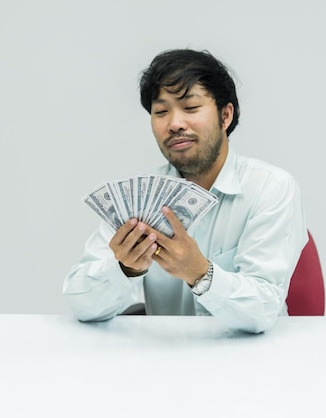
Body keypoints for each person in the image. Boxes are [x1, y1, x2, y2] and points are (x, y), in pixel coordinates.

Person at [63, 49, 307, 333]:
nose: (174, 124)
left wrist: (200, 273)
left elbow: (263, 310)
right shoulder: (135, 202)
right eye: (161, 112)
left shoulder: (271, 188)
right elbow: (81, 305)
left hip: (252, 363)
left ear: (225, 116)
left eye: (190, 108)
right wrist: (125, 270)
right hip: (166, 364)